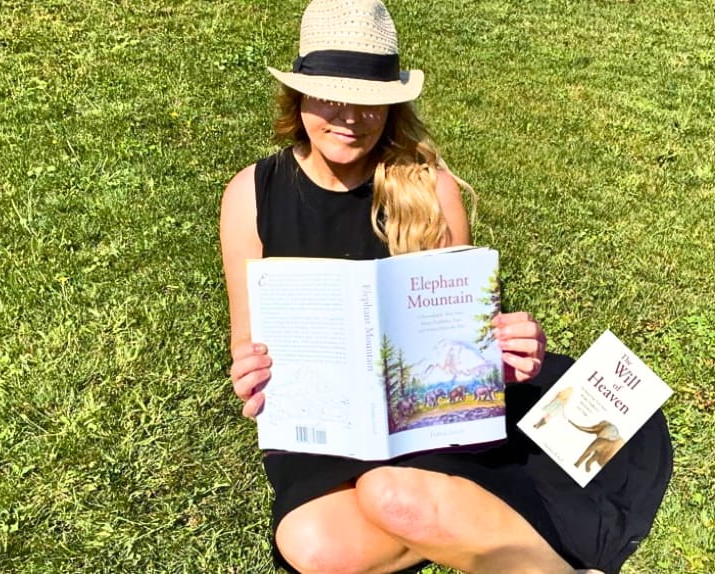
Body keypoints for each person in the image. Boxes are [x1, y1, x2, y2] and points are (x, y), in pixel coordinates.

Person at [219, 1, 673, 572]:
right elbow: (249, 341)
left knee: (394, 497)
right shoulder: (250, 193)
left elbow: (471, 338)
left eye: (370, 103)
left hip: (425, 423)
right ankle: (471, 523)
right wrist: (251, 377)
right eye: (331, 96)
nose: (350, 116)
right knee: (314, 546)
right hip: (321, 428)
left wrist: (508, 349)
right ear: (299, 95)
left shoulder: (426, 188)